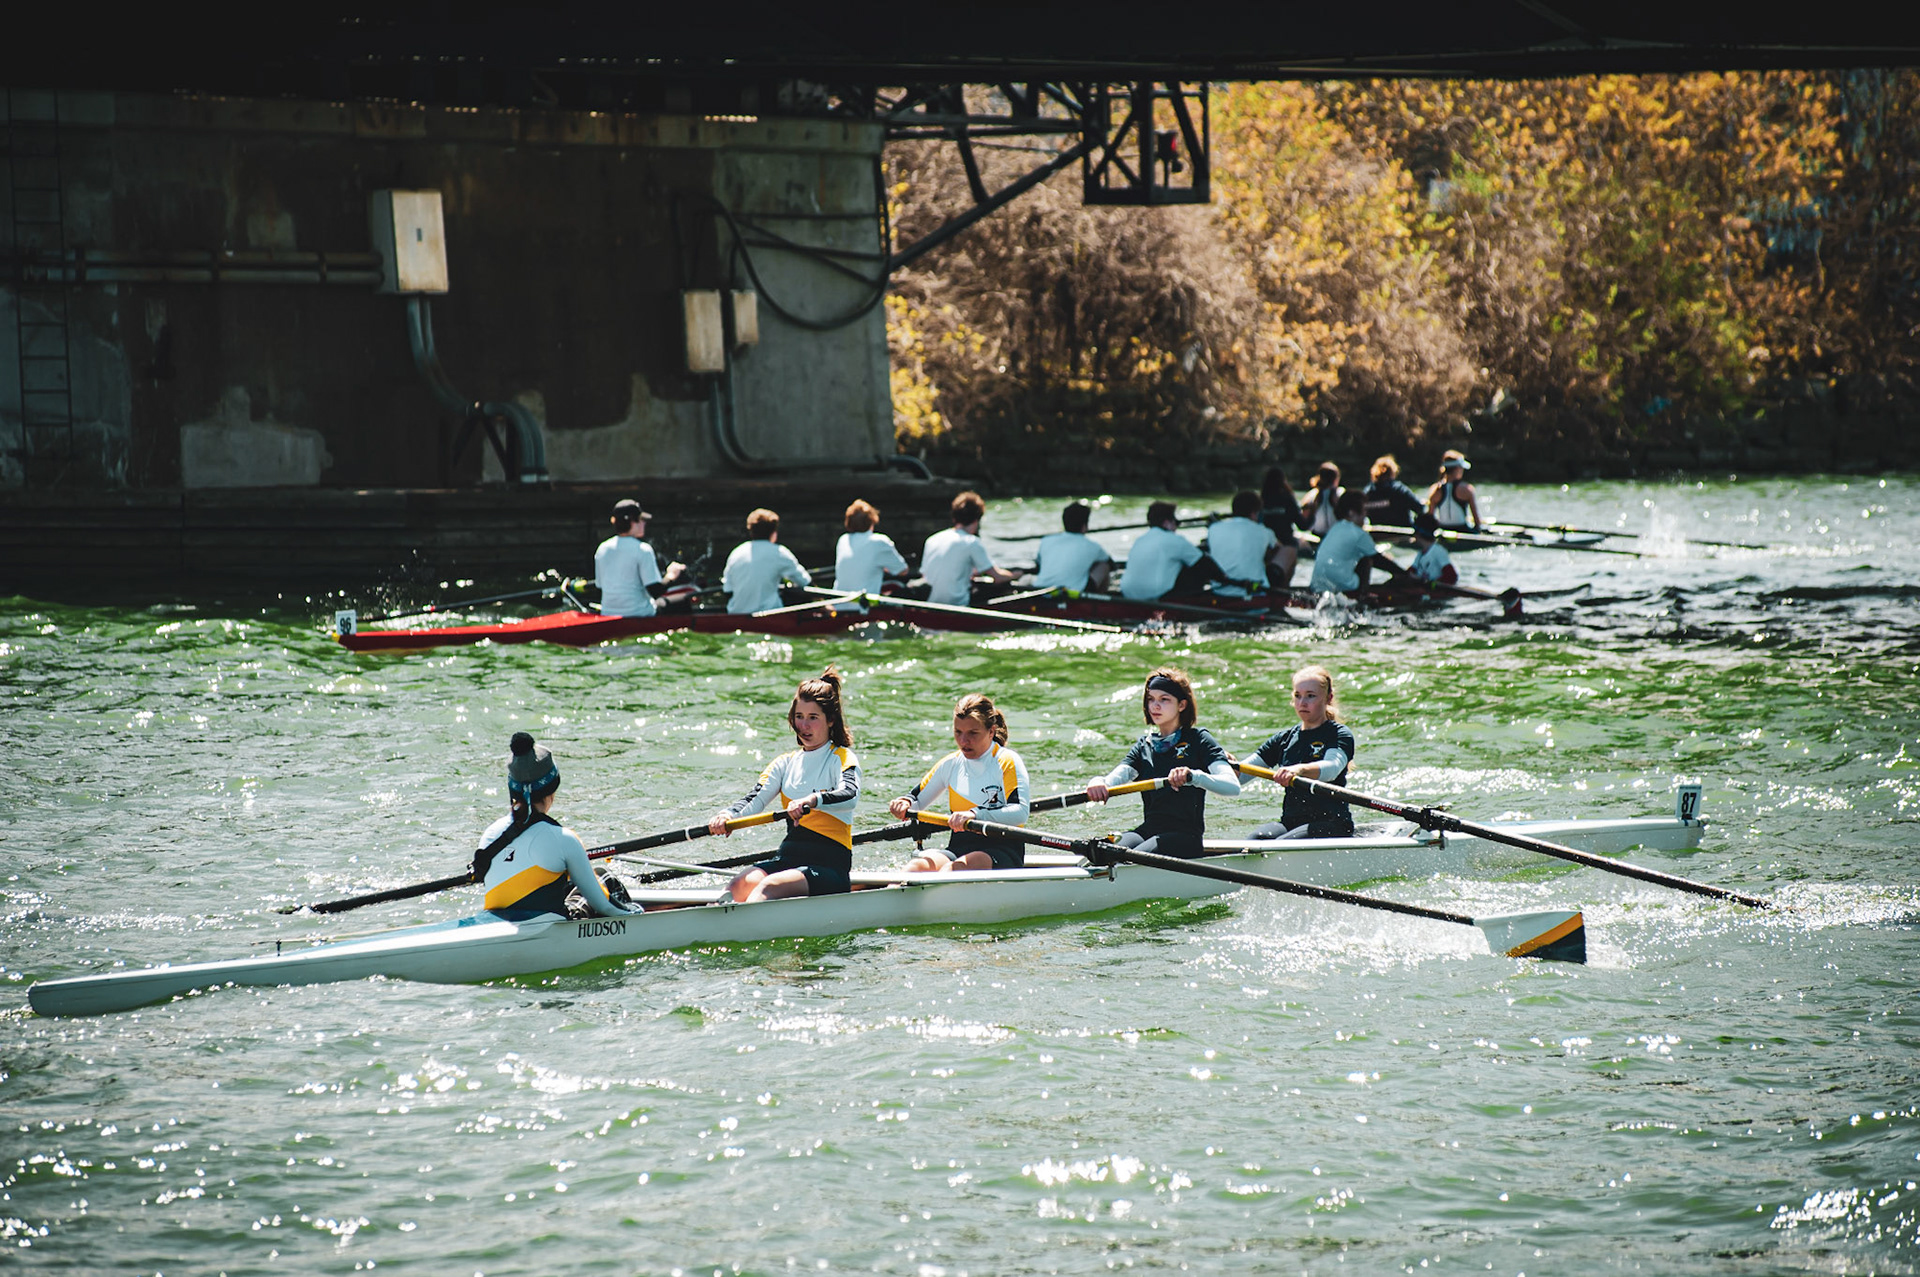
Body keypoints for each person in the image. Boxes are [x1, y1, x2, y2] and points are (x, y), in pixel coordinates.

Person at [709, 669, 860, 902]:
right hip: (788, 859)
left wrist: (812, 800)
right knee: (738, 885)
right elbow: (755, 799)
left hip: (829, 867)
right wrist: (728, 816)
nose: (804, 725)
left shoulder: (841, 757)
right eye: (799, 716)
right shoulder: (785, 763)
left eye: (813, 717)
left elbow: (850, 794)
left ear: (830, 720)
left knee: (767, 886)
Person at [477, 732, 640, 920]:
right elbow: (605, 907)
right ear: (551, 790)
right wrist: (636, 913)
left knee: (565, 883)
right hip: (546, 927)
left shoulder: (490, 834)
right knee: (604, 877)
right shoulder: (563, 839)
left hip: (496, 922)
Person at [1084, 667, 1240, 859]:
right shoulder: (1144, 746)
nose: (1155, 706)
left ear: (1181, 705)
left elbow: (1232, 786)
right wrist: (1098, 782)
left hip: (1185, 837)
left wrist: (1193, 776)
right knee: (1100, 852)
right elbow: (1114, 779)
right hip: (1149, 830)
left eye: (1164, 699)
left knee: (1129, 858)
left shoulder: (1199, 740)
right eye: (1151, 699)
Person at [889, 693, 1033, 872]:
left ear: (991, 731)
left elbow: (1020, 813)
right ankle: (893, 888)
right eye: (958, 732)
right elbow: (916, 802)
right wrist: (904, 804)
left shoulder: (1007, 761)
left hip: (1002, 851)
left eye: (973, 733)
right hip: (958, 849)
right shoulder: (951, 764)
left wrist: (975, 814)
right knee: (915, 867)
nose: (964, 741)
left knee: (954, 868)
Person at [1242, 666, 1357, 839]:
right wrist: (1220, 762)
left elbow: (1332, 768)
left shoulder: (1338, 734)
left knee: (1281, 845)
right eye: (1297, 695)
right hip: (1291, 824)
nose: (1302, 703)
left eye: (1310, 696)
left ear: (1328, 698)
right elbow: (1241, 775)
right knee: (1255, 840)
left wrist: (1299, 770)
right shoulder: (1284, 739)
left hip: (1332, 824)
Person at [593, 498, 687, 618]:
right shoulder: (643, 550)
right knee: (684, 600)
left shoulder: (602, 549)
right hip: (640, 614)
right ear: (633, 522)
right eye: (641, 520)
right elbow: (656, 591)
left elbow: (600, 586)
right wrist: (672, 575)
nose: (644, 523)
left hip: (608, 614)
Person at [920, 490, 1017, 606]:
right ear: (976, 521)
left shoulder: (932, 540)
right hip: (957, 604)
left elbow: (926, 576)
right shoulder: (972, 542)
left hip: (931, 604)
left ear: (954, 518)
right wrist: (1016, 575)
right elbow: (998, 577)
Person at [1309, 490, 1413, 595]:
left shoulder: (1335, 528)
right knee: (1366, 560)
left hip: (1317, 585)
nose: (1365, 515)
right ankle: (1362, 596)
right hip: (1341, 588)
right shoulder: (1358, 533)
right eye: (1364, 511)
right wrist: (1404, 573)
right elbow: (1378, 560)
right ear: (1351, 513)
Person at [722, 507, 811, 614]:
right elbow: (805, 582)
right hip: (769, 614)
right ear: (774, 533)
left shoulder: (736, 552)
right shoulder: (779, 553)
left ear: (751, 531)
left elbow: (727, 591)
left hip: (736, 614)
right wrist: (822, 602)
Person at [1203, 491, 1285, 598]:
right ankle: (1280, 596)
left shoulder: (1213, 528)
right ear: (1254, 513)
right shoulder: (1265, 531)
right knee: (1289, 550)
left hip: (1219, 591)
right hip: (1255, 591)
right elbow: (1280, 549)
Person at [1119, 501, 1205, 601]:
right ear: (1166, 523)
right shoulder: (1174, 539)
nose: (1176, 527)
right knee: (1197, 564)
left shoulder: (1139, 540)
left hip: (1128, 593)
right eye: (1176, 522)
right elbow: (1205, 563)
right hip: (1157, 596)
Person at [832, 499, 909, 595]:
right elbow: (903, 570)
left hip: (840, 602)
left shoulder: (843, 540)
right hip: (863, 603)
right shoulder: (879, 542)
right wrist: (885, 567)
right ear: (872, 521)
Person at [1033, 501, 1114, 593]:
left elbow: (1038, 566)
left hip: (1040, 589)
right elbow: (1112, 565)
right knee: (1104, 566)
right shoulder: (1093, 546)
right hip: (1072, 594)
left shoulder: (1046, 540)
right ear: (1084, 526)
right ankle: (1099, 598)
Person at [1258, 467, 1306, 589]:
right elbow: (1303, 525)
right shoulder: (1287, 498)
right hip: (1285, 542)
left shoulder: (1261, 499)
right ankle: (1284, 586)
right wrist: (1312, 513)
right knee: (1294, 544)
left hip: (1265, 544)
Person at [1425, 450, 1483, 530]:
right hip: (1463, 530)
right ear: (1457, 469)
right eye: (1462, 468)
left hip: (1443, 530)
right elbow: (1477, 521)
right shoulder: (1467, 489)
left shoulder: (1435, 490)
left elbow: (1430, 519)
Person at [1362, 455, 1426, 529]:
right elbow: (1419, 508)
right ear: (1392, 472)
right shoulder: (1399, 490)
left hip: (1377, 533)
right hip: (1401, 533)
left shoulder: (1367, 492)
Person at [1408, 513, 1458, 586]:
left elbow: (1452, 577)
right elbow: (1411, 571)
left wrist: (1432, 584)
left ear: (1418, 533)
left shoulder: (1438, 551)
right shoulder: (1421, 553)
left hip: (1433, 589)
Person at [1298, 462, 1343, 538]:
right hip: (1336, 535)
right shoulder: (1341, 493)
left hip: (1317, 534)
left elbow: (1303, 518)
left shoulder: (1311, 495)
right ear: (1336, 479)